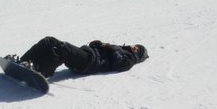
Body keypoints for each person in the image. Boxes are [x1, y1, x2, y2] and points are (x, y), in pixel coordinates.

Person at [9, 36, 148, 78]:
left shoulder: (130, 59)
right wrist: (98, 44)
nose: (134, 47)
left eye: (137, 49)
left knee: (63, 48)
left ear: (137, 54)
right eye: (136, 45)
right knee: (49, 41)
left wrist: (110, 48)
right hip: (88, 55)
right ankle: (23, 61)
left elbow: (120, 64)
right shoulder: (122, 49)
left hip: (89, 63)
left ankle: (41, 72)